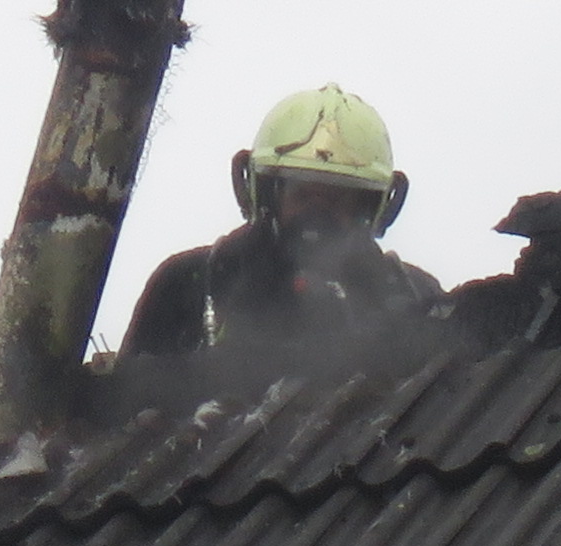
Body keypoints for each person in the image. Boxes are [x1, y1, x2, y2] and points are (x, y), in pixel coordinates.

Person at [122, 83, 452, 360]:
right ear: (267, 196)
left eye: (335, 199)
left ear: (368, 207)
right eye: (302, 195)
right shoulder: (191, 283)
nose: (317, 216)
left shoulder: (413, 295)